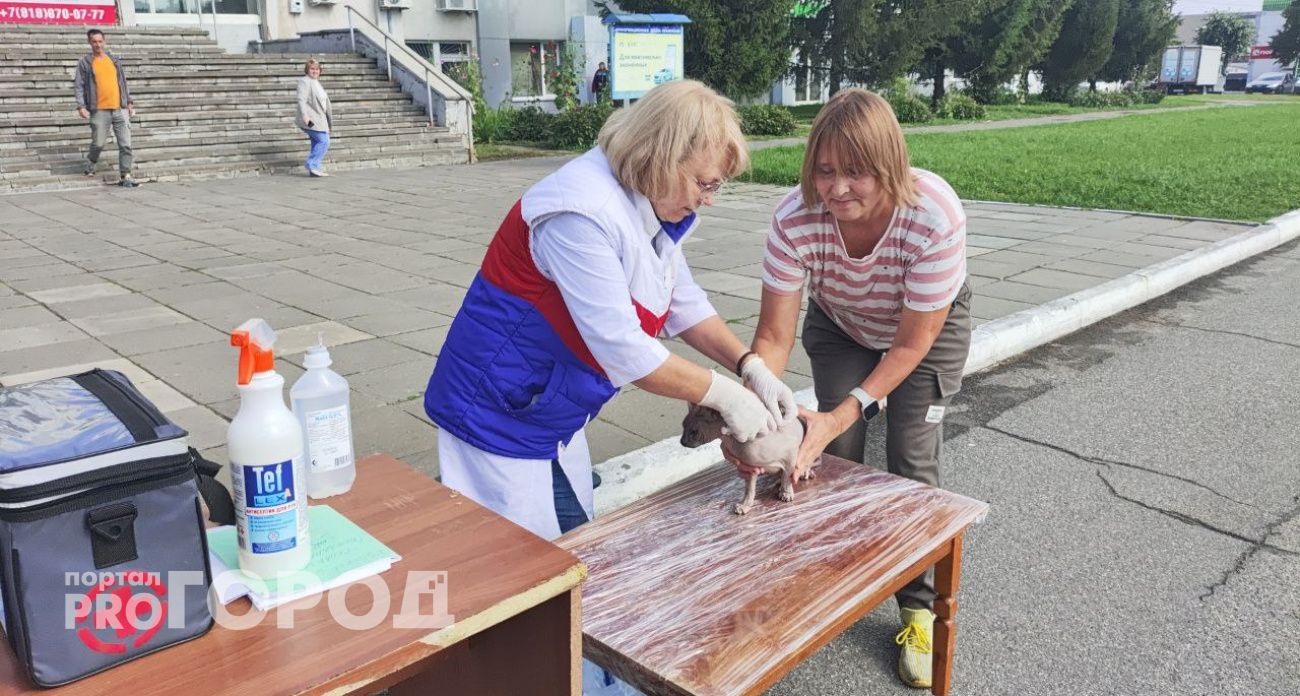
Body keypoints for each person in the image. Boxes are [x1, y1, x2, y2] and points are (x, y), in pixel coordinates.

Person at [423, 79, 797, 542]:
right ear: (663, 156)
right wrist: (727, 396)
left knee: (572, 544)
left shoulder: (650, 202)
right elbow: (621, 348)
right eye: (705, 183)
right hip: (498, 417)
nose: (709, 198)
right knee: (526, 570)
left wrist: (750, 365)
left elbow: (681, 300)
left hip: (547, 410)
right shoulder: (580, 211)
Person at [733, 88, 971, 690]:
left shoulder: (933, 216)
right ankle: (838, 576)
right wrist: (754, 409)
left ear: (890, 163)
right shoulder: (794, 216)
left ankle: (917, 609)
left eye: (857, 172)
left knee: (910, 462)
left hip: (923, 333)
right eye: (825, 169)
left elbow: (910, 348)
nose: (838, 189)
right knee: (829, 450)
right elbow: (773, 334)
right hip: (841, 322)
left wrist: (846, 410)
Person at [74, 29, 137, 188]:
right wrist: (81, 106)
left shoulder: (114, 60)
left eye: (100, 41)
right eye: (94, 41)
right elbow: (79, 86)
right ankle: (91, 161)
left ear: (105, 41)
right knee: (98, 143)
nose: (98, 44)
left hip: (119, 109)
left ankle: (126, 175)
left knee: (125, 144)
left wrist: (129, 102)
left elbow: (123, 83)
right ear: (90, 43)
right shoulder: (85, 63)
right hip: (99, 109)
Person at [295, 58, 333, 177]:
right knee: (324, 141)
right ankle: (311, 163)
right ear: (307, 70)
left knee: (317, 141)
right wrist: (305, 116)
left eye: (317, 69)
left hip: (320, 119)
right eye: (312, 69)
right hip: (311, 119)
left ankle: (314, 169)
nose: (315, 71)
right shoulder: (305, 81)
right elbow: (301, 100)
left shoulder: (316, 83)